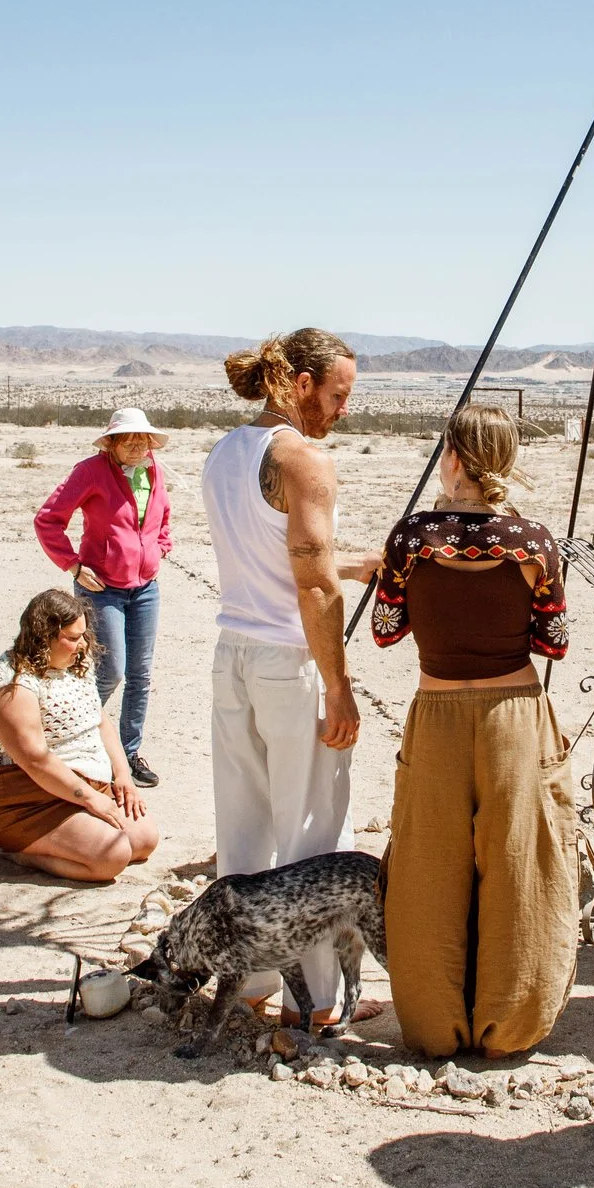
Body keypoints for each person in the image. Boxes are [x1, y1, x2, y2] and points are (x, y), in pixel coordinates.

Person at [371, 403, 577, 1056]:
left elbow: (385, 629)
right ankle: (511, 1025)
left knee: (426, 867)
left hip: (435, 714)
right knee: (523, 868)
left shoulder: (411, 538)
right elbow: (555, 640)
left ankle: (434, 1026)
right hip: (515, 713)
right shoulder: (535, 542)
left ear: (453, 459)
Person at [204, 327, 382, 1025]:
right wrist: (337, 685)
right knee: (310, 829)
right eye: (339, 395)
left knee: (243, 827)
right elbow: (309, 585)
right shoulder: (304, 459)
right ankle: (319, 1003)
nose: (344, 410)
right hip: (288, 661)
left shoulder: (225, 452)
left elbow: (271, 557)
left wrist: (349, 560)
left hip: (234, 653)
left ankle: (246, 983)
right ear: (302, 384)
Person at [0, 589, 160, 880]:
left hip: (80, 782)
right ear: (43, 637)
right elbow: (35, 759)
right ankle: (22, 854)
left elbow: (99, 719)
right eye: (72, 638)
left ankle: (77, 833)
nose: (82, 645)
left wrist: (122, 775)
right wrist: (91, 800)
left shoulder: (74, 664)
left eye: (83, 635)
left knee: (144, 840)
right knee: (112, 856)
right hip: (23, 796)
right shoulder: (12, 684)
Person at [34, 408, 174, 788]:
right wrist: (73, 566)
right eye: (127, 439)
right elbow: (48, 519)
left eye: (142, 439)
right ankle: (65, 740)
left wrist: (161, 547)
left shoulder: (154, 470)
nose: (136, 445)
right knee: (110, 672)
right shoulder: (90, 471)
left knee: (140, 675)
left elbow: (161, 518)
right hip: (102, 588)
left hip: (145, 588)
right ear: (110, 443)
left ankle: (127, 755)